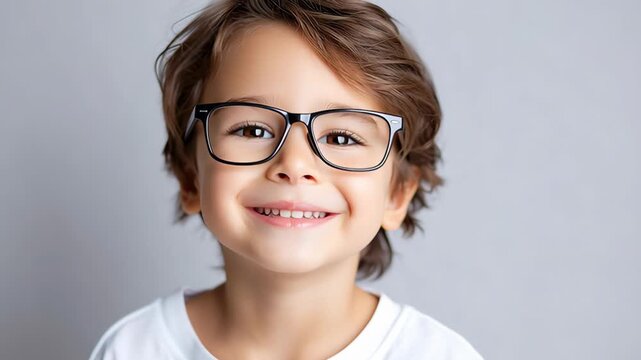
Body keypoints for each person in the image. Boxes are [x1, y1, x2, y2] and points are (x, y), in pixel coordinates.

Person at [89, 0, 484, 359]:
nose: (294, 164)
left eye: (341, 137)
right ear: (190, 178)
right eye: (253, 130)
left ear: (397, 194)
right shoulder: (134, 349)